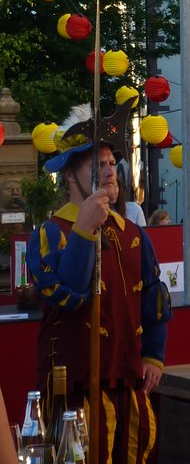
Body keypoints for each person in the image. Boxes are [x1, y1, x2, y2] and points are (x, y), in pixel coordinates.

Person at [26, 102, 172, 463]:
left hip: (129, 379)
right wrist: (84, 229)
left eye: (111, 164)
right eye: (98, 165)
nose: (110, 172)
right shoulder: (50, 234)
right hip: (75, 388)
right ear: (72, 177)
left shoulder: (134, 234)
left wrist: (154, 355)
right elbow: (69, 295)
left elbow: (154, 299)